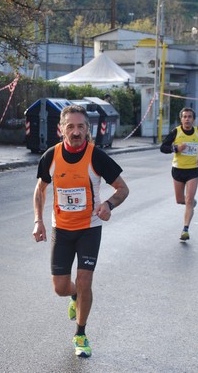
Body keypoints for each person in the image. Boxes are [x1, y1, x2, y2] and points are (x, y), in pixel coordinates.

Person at [32, 105, 129, 358]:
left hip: (89, 229)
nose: (76, 132)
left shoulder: (96, 156)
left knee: (86, 281)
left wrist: (108, 204)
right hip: (61, 230)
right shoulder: (51, 157)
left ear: (88, 129)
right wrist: (38, 221)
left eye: (81, 127)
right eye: (71, 126)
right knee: (60, 288)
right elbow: (40, 190)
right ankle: (73, 294)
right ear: (60, 129)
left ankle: (81, 334)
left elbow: (122, 189)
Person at [160, 107, 198, 241]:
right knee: (180, 200)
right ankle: (191, 202)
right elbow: (163, 148)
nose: (187, 119)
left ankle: (185, 229)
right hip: (177, 170)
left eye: (190, 117)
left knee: (188, 200)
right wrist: (175, 148)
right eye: (185, 117)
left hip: (193, 170)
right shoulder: (176, 132)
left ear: (193, 119)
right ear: (181, 119)